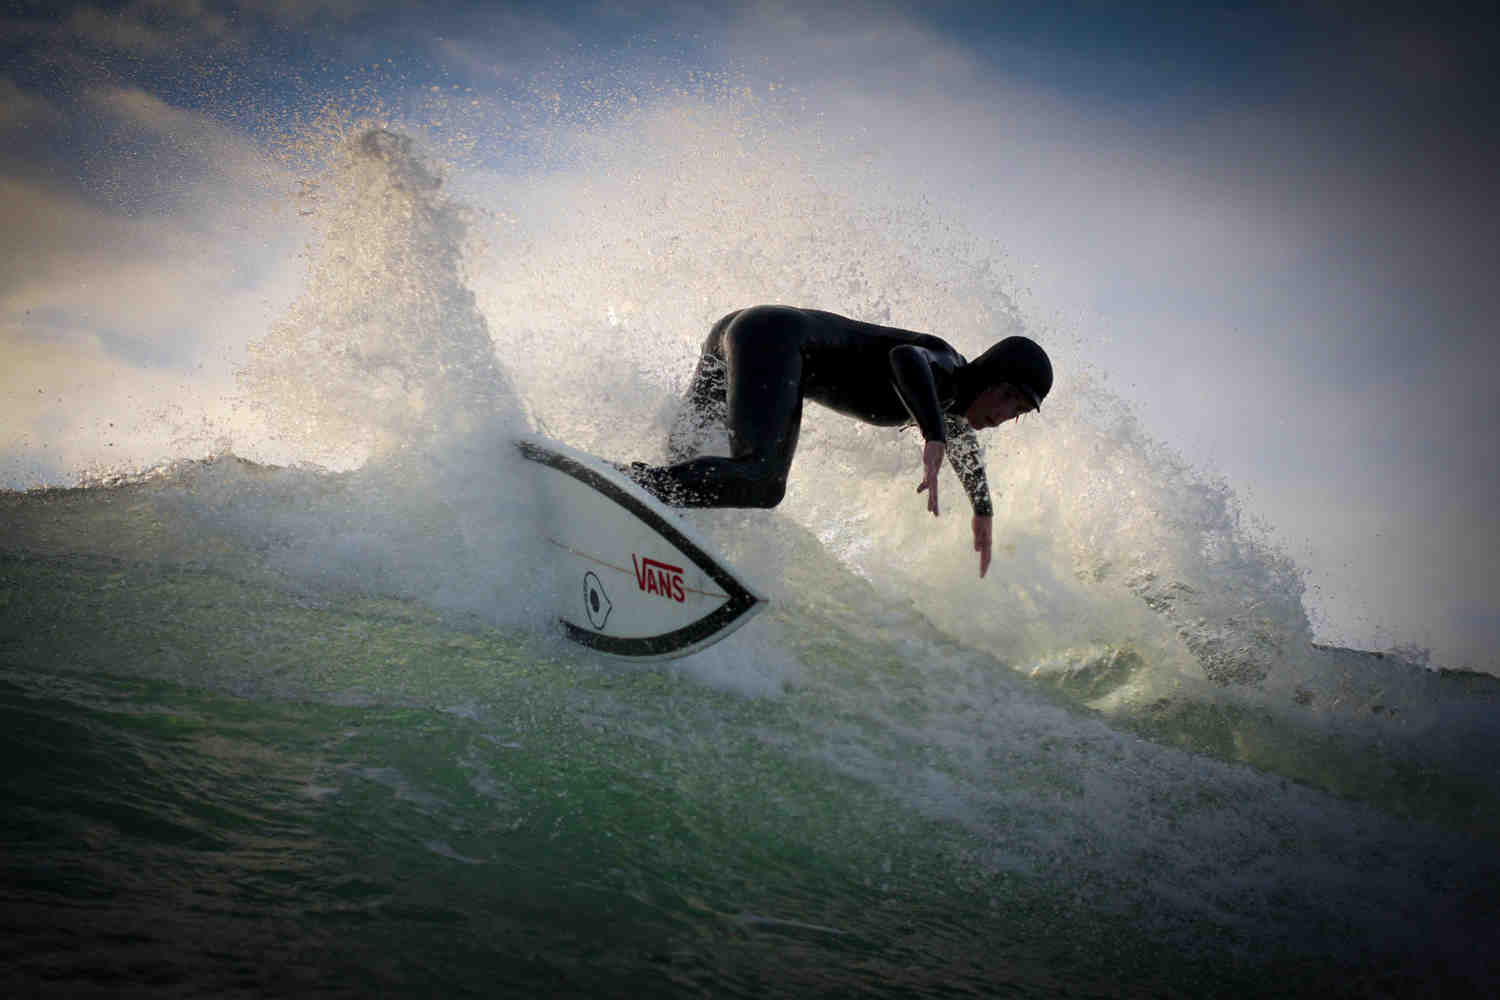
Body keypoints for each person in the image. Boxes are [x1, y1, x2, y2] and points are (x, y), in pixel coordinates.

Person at [622, 305, 1052, 577]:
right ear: (989, 373)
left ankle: (627, 519)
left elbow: (962, 445)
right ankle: (622, 484)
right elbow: (904, 359)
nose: (1005, 414)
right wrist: (931, 434)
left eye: (1019, 410)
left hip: (747, 332)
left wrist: (982, 511)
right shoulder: (945, 369)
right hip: (773, 339)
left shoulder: (952, 402)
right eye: (1009, 395)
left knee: (686, 462)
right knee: (762, 481)